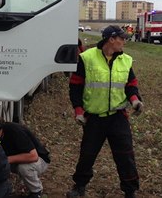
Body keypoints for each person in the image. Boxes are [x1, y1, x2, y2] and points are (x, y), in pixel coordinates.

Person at [66, 25, 143, 198]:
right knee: (87, 154)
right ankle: (79, 187)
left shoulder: (126, 60)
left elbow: (131, 85)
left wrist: (135, 101)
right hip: (94, 118)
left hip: (118, 117)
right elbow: (75, 87)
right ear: (111, 39)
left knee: (126, 156)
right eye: (121, 38)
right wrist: (78, 110)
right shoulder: (86, 58)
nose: (124, 41)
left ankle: (130, 191)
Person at [0, 110, 51, 198]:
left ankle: (36, 191)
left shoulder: (14, 131)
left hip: (40, 160)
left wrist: (7, 160)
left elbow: (33, 156)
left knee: (24, 168)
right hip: (17, 160)